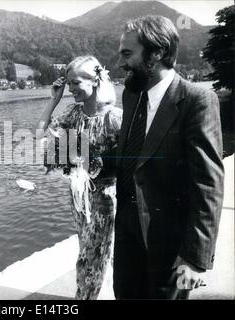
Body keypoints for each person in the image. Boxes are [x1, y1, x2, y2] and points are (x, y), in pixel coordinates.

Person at [114, 15, 224, 299]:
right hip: (128, 241)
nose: (120, 63)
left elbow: (208, 184)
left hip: (170, 250)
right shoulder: (131, 95)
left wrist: (194, 258)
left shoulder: (196, 100)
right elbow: (135, 160)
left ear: (158, 53)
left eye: (128, 54)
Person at [36, 56, 122, 299]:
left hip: (107, 200)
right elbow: (40, 134)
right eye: (68, 84)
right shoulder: (73, 115)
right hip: (79, 198)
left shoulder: (115, 118)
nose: (70, 89)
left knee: (92, 258)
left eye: (75, 83)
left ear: (95, 81)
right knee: (92, 252)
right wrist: (54, 99)